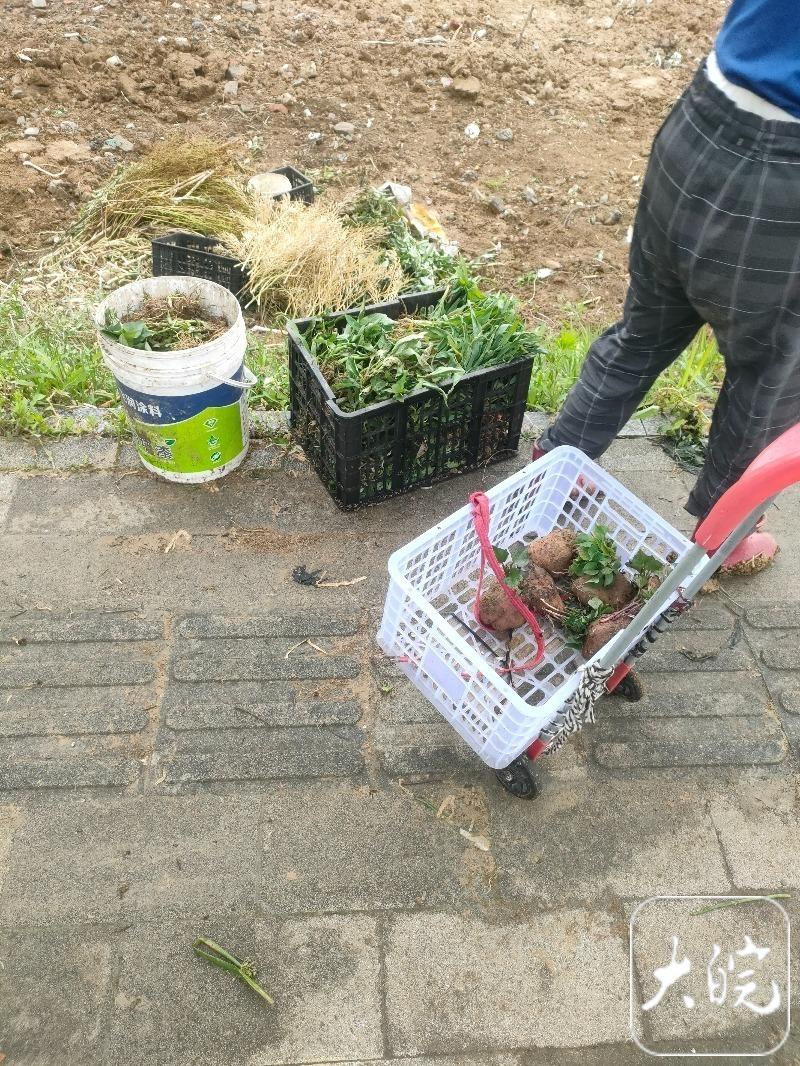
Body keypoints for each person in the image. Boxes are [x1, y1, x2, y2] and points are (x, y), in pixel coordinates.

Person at [535, 0, 800, 574]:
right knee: (768, 376)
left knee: (645, 325)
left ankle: (560, 462)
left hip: (702, 123)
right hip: (788, 181)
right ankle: (723, 540)